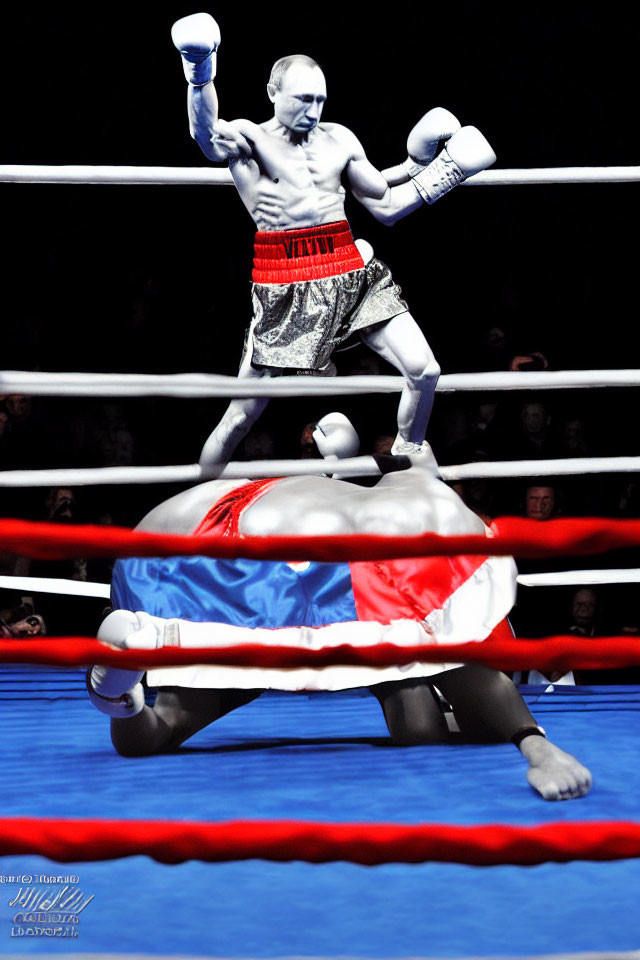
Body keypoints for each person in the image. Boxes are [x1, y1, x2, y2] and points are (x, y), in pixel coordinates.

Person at [88, 423, 591, 801]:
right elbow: (463, 678)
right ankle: (538, 748)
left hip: (243, 573)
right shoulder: (383, 501)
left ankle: (118, 698)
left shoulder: (344, 491)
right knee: (432, 676)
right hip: (306, 570)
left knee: (159, 730)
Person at [170, 13, 497, 466]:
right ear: (273, 93)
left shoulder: (339, 139)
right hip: (286, 283)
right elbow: (205, 134)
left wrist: (438, 170)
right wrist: (199, 67)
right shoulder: (250, 139)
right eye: (303, 99)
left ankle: (409, 451)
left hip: (349, 268)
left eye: (321, 99)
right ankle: (199, 510)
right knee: (240, 417)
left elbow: (383, 204)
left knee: (425, 371)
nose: (314, 110)